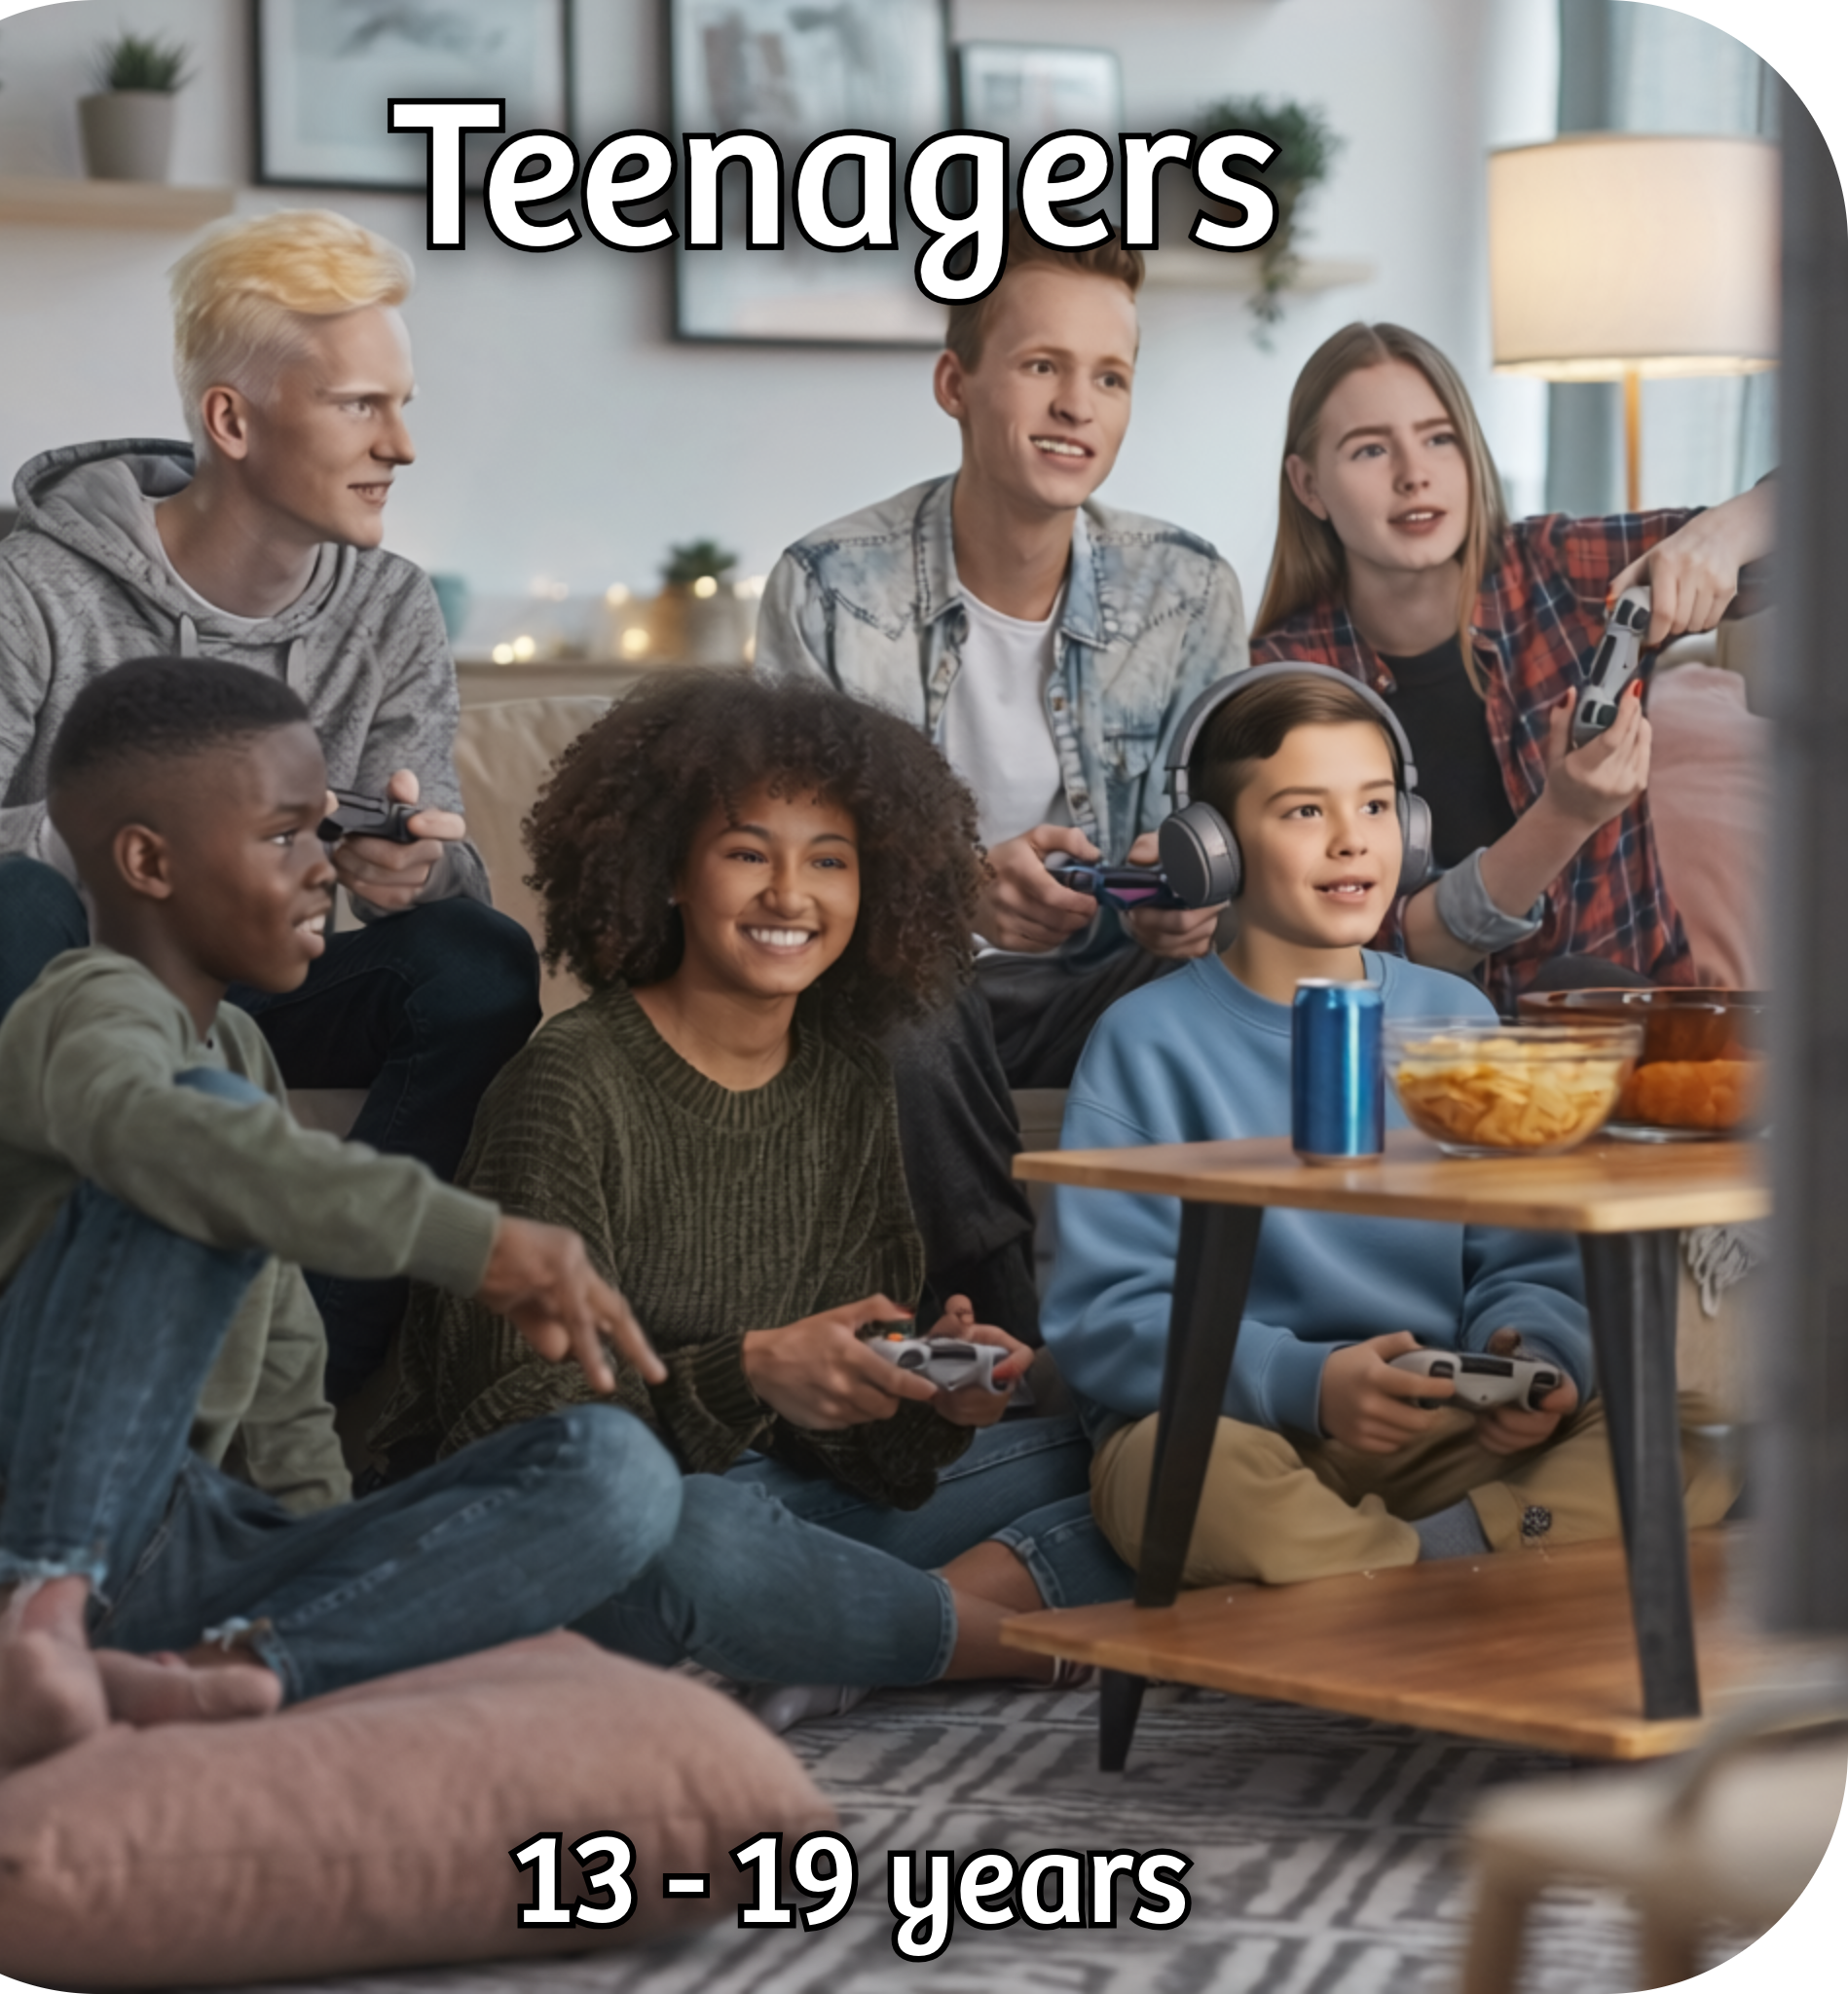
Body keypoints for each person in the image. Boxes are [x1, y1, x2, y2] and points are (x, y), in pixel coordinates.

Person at [0, 658, 678, 1767]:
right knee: (194, 1150)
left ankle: (246, 1672)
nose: (322, 876)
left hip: (166, 1555)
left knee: (617, 1473)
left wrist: (321, 1552)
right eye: (283, 838)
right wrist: (473, 1240)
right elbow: (168, 1142)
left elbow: (286, 1379)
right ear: (148, 861)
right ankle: (38, 1611)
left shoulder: (236, 1054)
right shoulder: (83, 1010)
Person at [0, 208, 536, 1403]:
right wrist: (134, 826)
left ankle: (292, 1389)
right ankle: (67, 1371)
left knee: (474, 955)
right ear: (232, 419)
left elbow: (433, 864)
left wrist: (410, 875)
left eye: (402, 403)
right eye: (361, 406)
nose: (403, 446)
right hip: (68, 994)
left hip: (267, 991)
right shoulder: (35, 587)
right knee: (6, 899)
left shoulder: (391, 609)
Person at [369, 672, 1132, 1729]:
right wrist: (751, 1371)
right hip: (594, 1534)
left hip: (785, 1506)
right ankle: (982, 1638)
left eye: (829, 858)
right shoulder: (571, 1081)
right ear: (668, 872)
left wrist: (924, 1399)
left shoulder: (845, 1079)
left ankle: (827, 1635)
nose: (789, 894)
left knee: (1145, 1456)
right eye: (746, 853)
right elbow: (518, 1434)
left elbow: (868, 1466)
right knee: (701, 1534)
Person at [1043, 669, 1736, 1581]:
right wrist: (1310, 1385)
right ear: (1210, 851)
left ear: (1409, 833)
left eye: (1375, 807)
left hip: (1447, 1420)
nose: (1350, 843)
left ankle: (1409, 1563)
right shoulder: (1144, 1043)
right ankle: (1460, 1578)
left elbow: (1523, 1254)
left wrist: (1532, 1354)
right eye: (1302, 813)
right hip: (1250, 1421)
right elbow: (1106, 1316)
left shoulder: (1457, 1017)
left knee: (1690, 1447)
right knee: (1170, 1475)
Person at [753, 220, 1247, 1346]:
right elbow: (783, 862)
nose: (1077, 404)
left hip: (1102, 982)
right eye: (1040, 366)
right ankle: (1007, 1334)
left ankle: (1243, 1341)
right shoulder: (828, 586)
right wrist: (952, 891)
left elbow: (1226, 824)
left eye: (1108, 377)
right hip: (905, 992)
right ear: (955, 382)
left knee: (1243, 984)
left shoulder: (1185, 588)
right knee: (900, 987)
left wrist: (1187, 895)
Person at [1251, 320, 1774, 1014]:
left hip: (1621, 1034)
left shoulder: (1551, 568)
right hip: (1414, 1056)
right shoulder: (1290, 673)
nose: (1415, 474)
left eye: (1440, 439)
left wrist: (1726, 530)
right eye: (1371, 449)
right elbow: (1377, 945)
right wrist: (1566, 815)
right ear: (1309, 486)